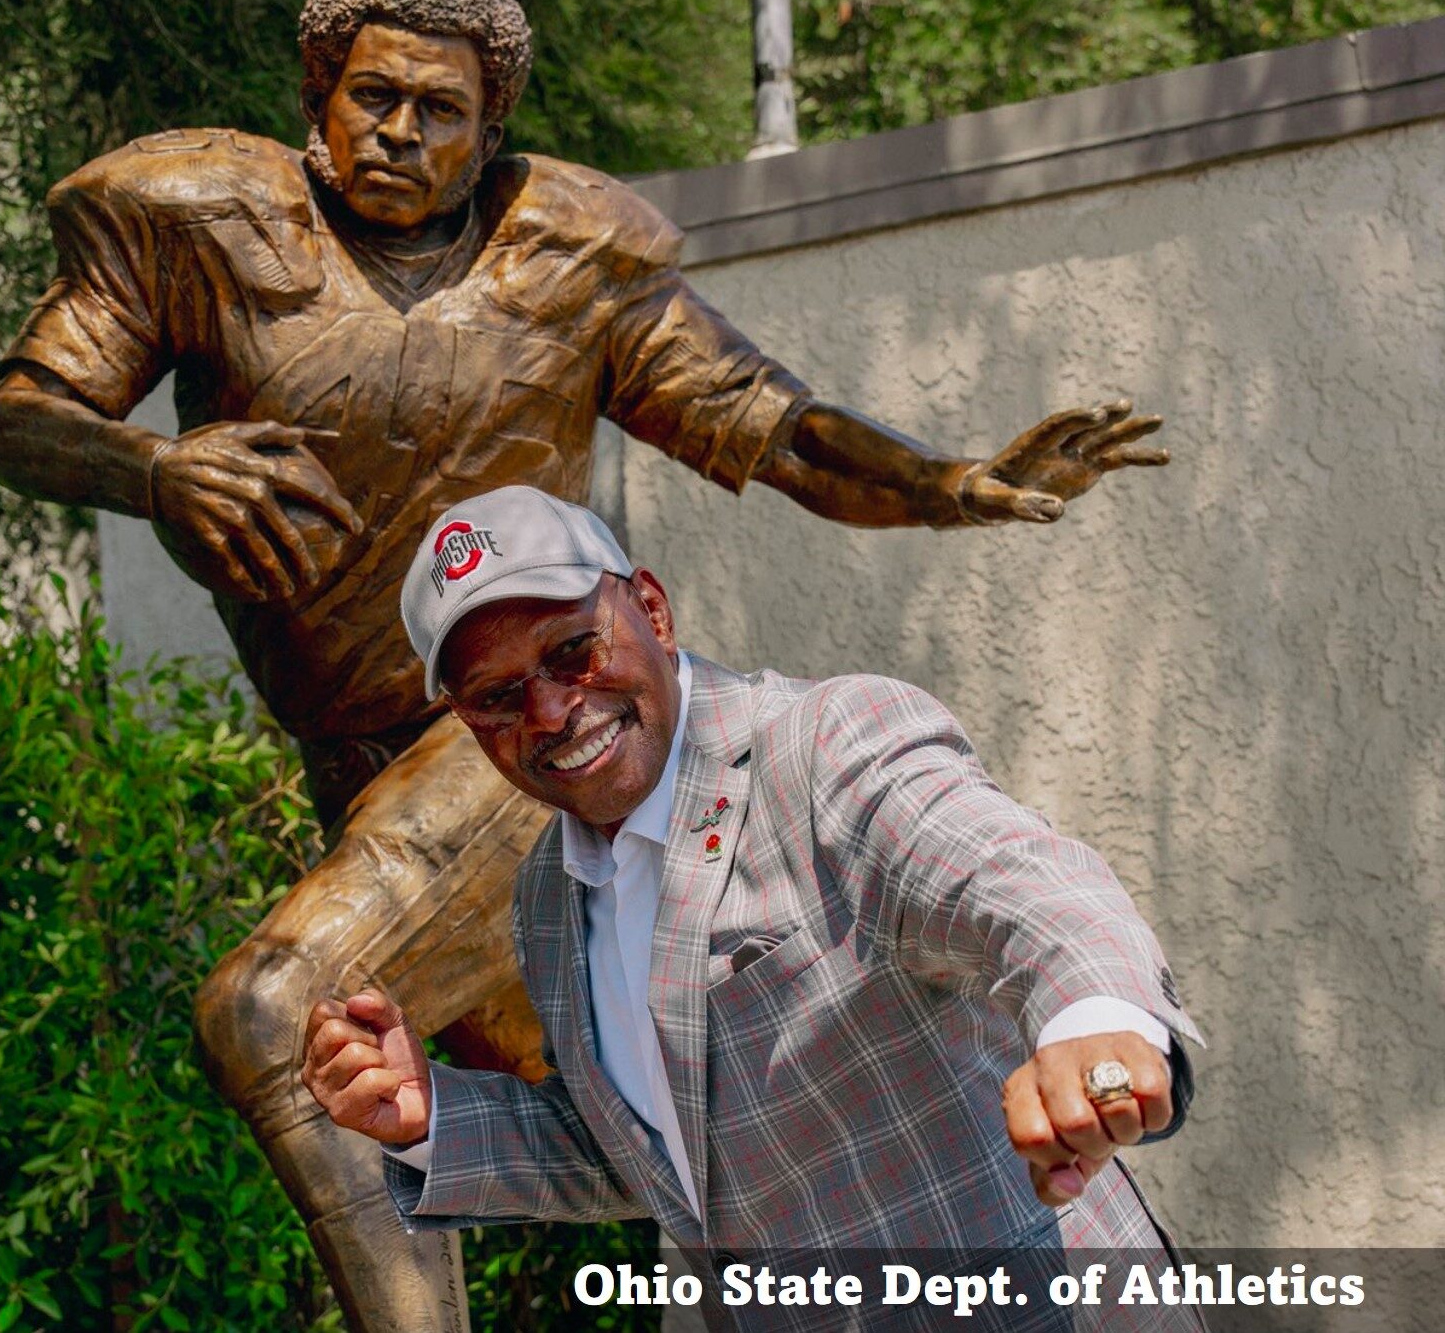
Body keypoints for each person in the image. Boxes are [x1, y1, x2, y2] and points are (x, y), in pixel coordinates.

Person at [0, 0, 1174, 1330]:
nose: (398, 130)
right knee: (637, 1103)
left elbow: (778, 428)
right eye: (372, 95)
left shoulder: (578, 274)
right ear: (319, 92)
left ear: (492, 133)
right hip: (367, 762)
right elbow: (25, 411)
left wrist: (947, 484)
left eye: (440, 109)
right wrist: (154, 469)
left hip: (469, 760)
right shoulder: (193, 223)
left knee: (270, 1008)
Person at [302, 486, 1206, 1331]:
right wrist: (431, 1117)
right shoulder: (548, 897)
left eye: (572, 652)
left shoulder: (821, 750)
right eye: (498, 697)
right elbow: (659, 1152)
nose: (548, 711)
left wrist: (1096, 1022)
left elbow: (1020, 884)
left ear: (651, 610)